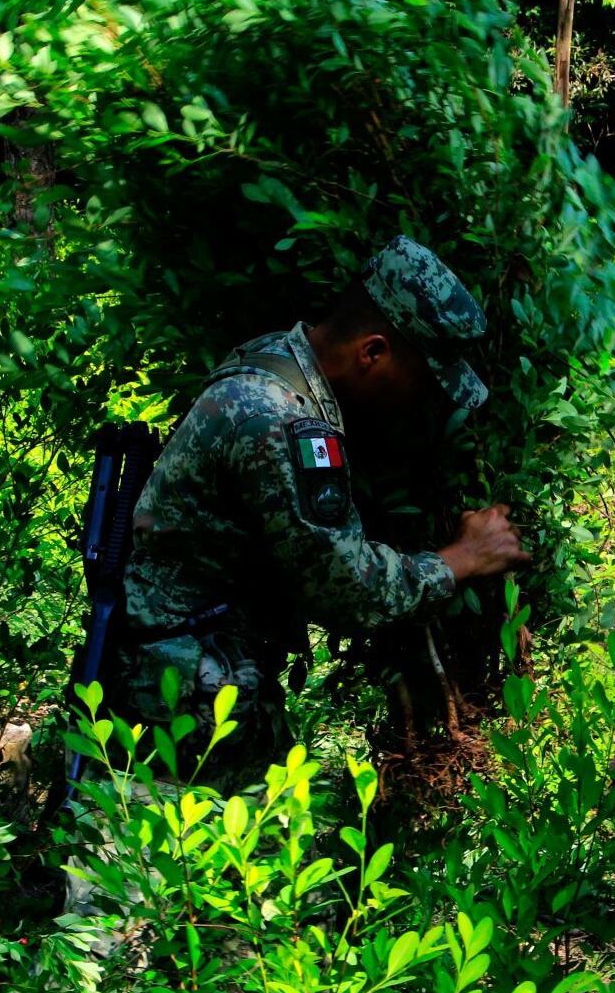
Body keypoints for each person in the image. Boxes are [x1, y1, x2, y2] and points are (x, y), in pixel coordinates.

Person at [114, 234, 531, 782]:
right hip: (183, 698)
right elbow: (347, 589)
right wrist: (464, 556)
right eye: (421, 382)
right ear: (373, 353)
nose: (422, 402)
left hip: (182, 672)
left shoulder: (275, 360)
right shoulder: (283, 420)